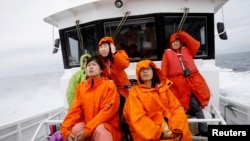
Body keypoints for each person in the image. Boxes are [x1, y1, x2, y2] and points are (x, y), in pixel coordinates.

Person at [123, 60, 192, 141]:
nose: (145, 71)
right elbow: (138, 119)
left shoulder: (164, 89)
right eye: (142, 69)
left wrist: (176, 130)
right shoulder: (134, 93)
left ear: (154, 72)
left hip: (171, 129)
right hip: (150, 135)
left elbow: (177, 109)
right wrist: (160, 134)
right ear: (138, 74)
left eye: (148, 69)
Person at [60, 56, 122, 141]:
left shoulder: (109, 86)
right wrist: (65, 130)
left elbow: (106, 113)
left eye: (94, 64)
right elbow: (75, 110)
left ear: (101, 70)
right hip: (87, 125)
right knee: (75, 130)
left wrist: (87, 131)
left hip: (106, 125)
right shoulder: (81, 87)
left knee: (100, 130)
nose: (91, 67)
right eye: (88, 65)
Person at [161, 31, 210, 136]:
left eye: (177, 41)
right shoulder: (167, 54)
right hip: (177, 89)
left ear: (181, 42)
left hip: (193, 85)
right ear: (170, 44)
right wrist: (165, 89)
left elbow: (195, 44)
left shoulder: (188, 50)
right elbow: (164, 73)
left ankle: (204, 131)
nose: (175, 43)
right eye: (173, 42)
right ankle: (182, 133)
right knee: (180, 111)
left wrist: (182, 34)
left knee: (196, 107)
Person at [98, 36, 131, 139]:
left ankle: (126, 134)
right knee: (112, 117)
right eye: (101, 47)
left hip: (122, 92)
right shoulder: (98, 61)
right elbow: (97, 77)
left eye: (105, 46)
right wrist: (107, 82)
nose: (103, 49)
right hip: (108, 94)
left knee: (125, 117)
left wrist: (114, 53)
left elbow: (124, 64)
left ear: (111, 46)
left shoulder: (120, 54)